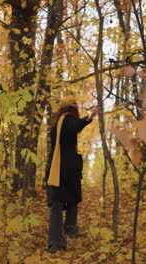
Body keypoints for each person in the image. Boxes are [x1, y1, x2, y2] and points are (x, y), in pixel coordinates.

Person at [44, 96, 99, 253]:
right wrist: (90, 116)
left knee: (57, 204)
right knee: (69, 200)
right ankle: (66, 232)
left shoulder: (56, 124)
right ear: (72, 109)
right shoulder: (67, 120)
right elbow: (75, 126)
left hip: (55, 168)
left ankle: (57, 240)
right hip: (66, 170)